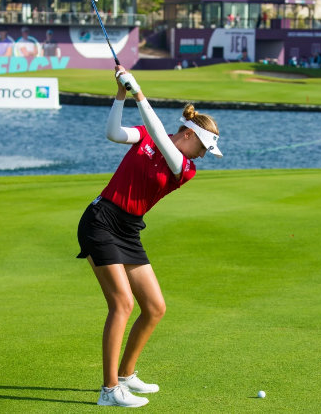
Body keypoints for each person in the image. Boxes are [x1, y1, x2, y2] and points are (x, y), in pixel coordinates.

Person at [76, 66, 222, 408]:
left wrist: (139, 91)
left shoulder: (184, 168)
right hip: (101, 220)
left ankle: (126, 376)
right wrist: (123, 94)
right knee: (123, 304)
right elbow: (113, 133)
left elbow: (158, 134)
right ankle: (109, 390)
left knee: (154, 307)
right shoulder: (145, 136)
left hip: (128, 230)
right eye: (203, 147)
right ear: (189, 134)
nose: (203, 156)